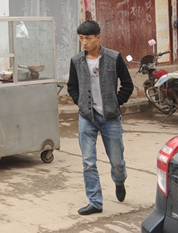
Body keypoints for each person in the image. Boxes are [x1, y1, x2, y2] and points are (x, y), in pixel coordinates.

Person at [67, 20, 134, 215]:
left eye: (88, 38)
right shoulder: (76, 61)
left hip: (111, 118)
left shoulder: (114, 58)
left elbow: (128, 84)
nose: (84, 42)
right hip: (87, 118)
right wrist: (80, 103)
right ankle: (95, 202)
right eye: (81, 38)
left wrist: (116, 102)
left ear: (98, 37)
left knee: (117, 161)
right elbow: (72, 86)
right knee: (88, 162)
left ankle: (119, 181)